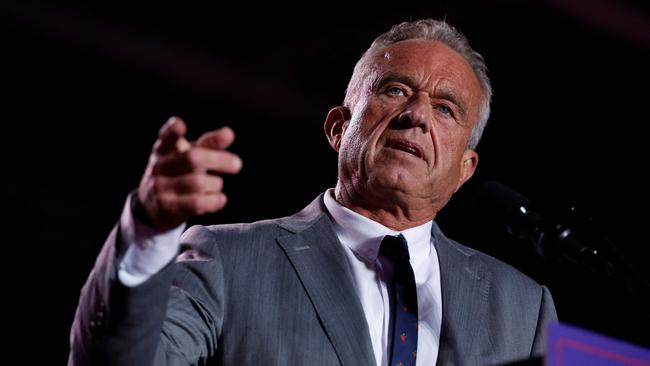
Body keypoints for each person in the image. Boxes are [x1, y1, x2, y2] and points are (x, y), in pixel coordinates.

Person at [68, 19, 557, 366]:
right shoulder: (227, 260)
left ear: (465, 169)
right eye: (394, 90)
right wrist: (150, 229)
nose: (418, 114)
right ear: (338, 128)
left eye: (446, 109)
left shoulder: (523, 309)